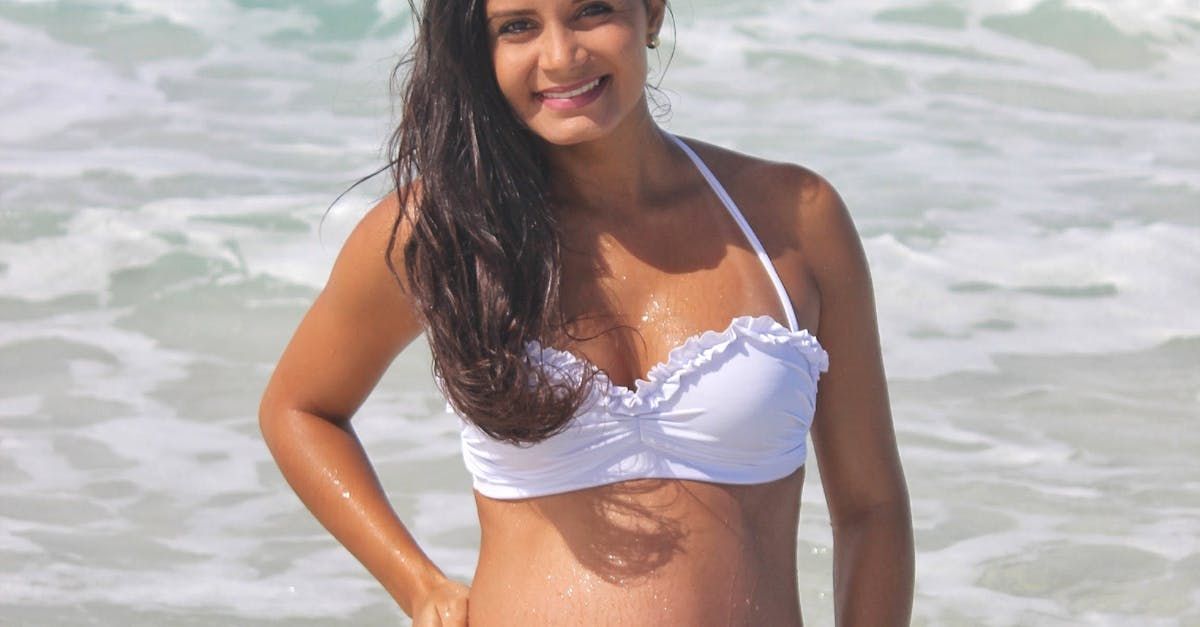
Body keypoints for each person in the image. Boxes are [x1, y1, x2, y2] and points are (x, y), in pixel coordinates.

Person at [259, 0, 914, 624]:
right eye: (517, 25)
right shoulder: (445, 231)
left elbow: (871, 507)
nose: (561, 54)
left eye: (591, 11)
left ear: (650, 11)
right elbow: (299, 408)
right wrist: (418, 582)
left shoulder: (793, 220)